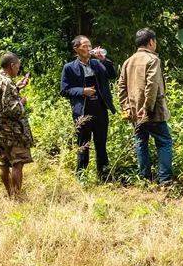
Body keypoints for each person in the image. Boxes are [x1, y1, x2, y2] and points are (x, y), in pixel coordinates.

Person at [118, 28, 173, 184]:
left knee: (141, 142)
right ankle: (165, 180)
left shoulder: (128, 61)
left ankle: (144, 179)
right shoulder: (152, 59)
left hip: (134, 111)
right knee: (164, 142)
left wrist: (126, 107)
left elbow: (121, 87)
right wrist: (147, 109)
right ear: (151, 42)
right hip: (152, 112)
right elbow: (152, 86)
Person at [60, 35, 117, 178]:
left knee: (101, 144)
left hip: (100, 110)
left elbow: (112, 75)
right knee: (83, 146)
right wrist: (82, 91)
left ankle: (104, 176)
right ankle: (81, 177)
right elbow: (64, 90)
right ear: (76, 49)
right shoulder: (69, 68)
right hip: (82, 112)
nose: (88, 49)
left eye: (89, 46)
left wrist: (103, 60)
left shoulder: (97, 64)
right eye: (85, 46)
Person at [0, 52, 33, 198]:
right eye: (18, 67)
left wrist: (16, 88)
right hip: (13, 131)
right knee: (17, 163)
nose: (18, 70)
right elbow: (10, 108)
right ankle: (16, 196)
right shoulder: (6, 82)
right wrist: (22, 103)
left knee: (4, 163)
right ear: (11, 65)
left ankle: (10, 194)